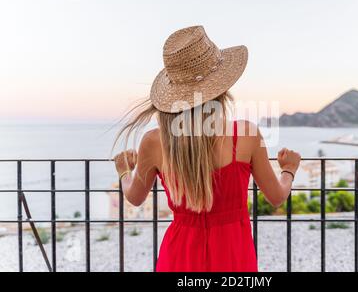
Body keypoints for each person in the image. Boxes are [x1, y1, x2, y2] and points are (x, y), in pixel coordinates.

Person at [113, 25, 301, 271]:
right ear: (221, 89)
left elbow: (135, 197)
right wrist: (289, 169)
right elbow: (276, 196)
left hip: (180, 256)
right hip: (234, 255)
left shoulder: (154, 141)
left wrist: (124, 171)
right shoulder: (246, 135)